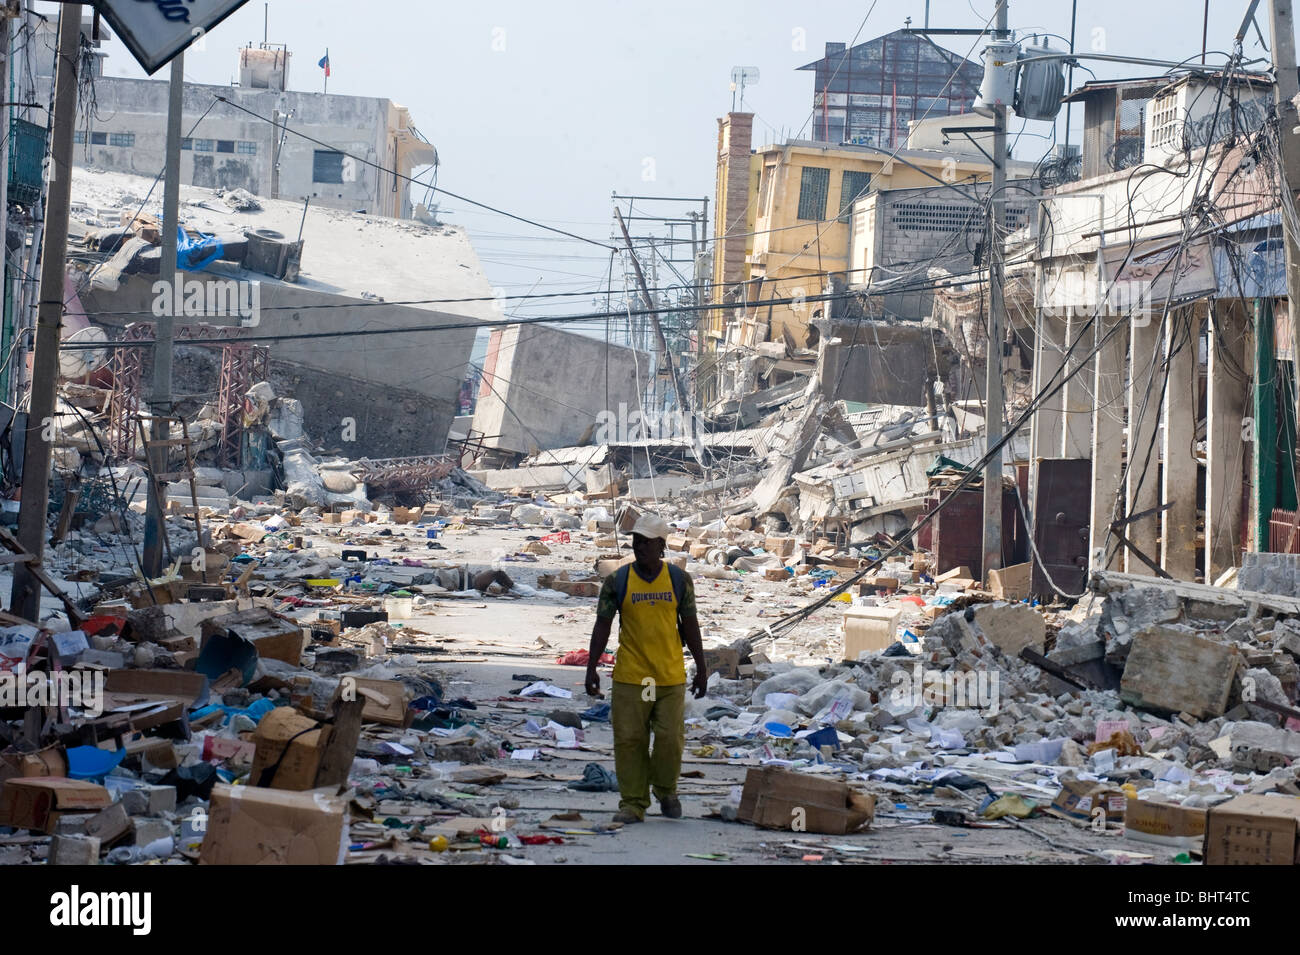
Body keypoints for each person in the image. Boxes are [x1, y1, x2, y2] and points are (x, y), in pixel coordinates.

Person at [585, 513, 707, 823]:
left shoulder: (679, 581)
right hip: (632, 676)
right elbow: (602, 625)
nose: (639, 547)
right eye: (636, 541)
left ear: (661, 546)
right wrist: (591, 666)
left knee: (669, 739)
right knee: (630, 740)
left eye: (646, 542)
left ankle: (666, 790)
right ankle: (633, 804)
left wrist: (702, 667)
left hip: (668, 676)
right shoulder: (618, 581)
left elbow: (690, 625)